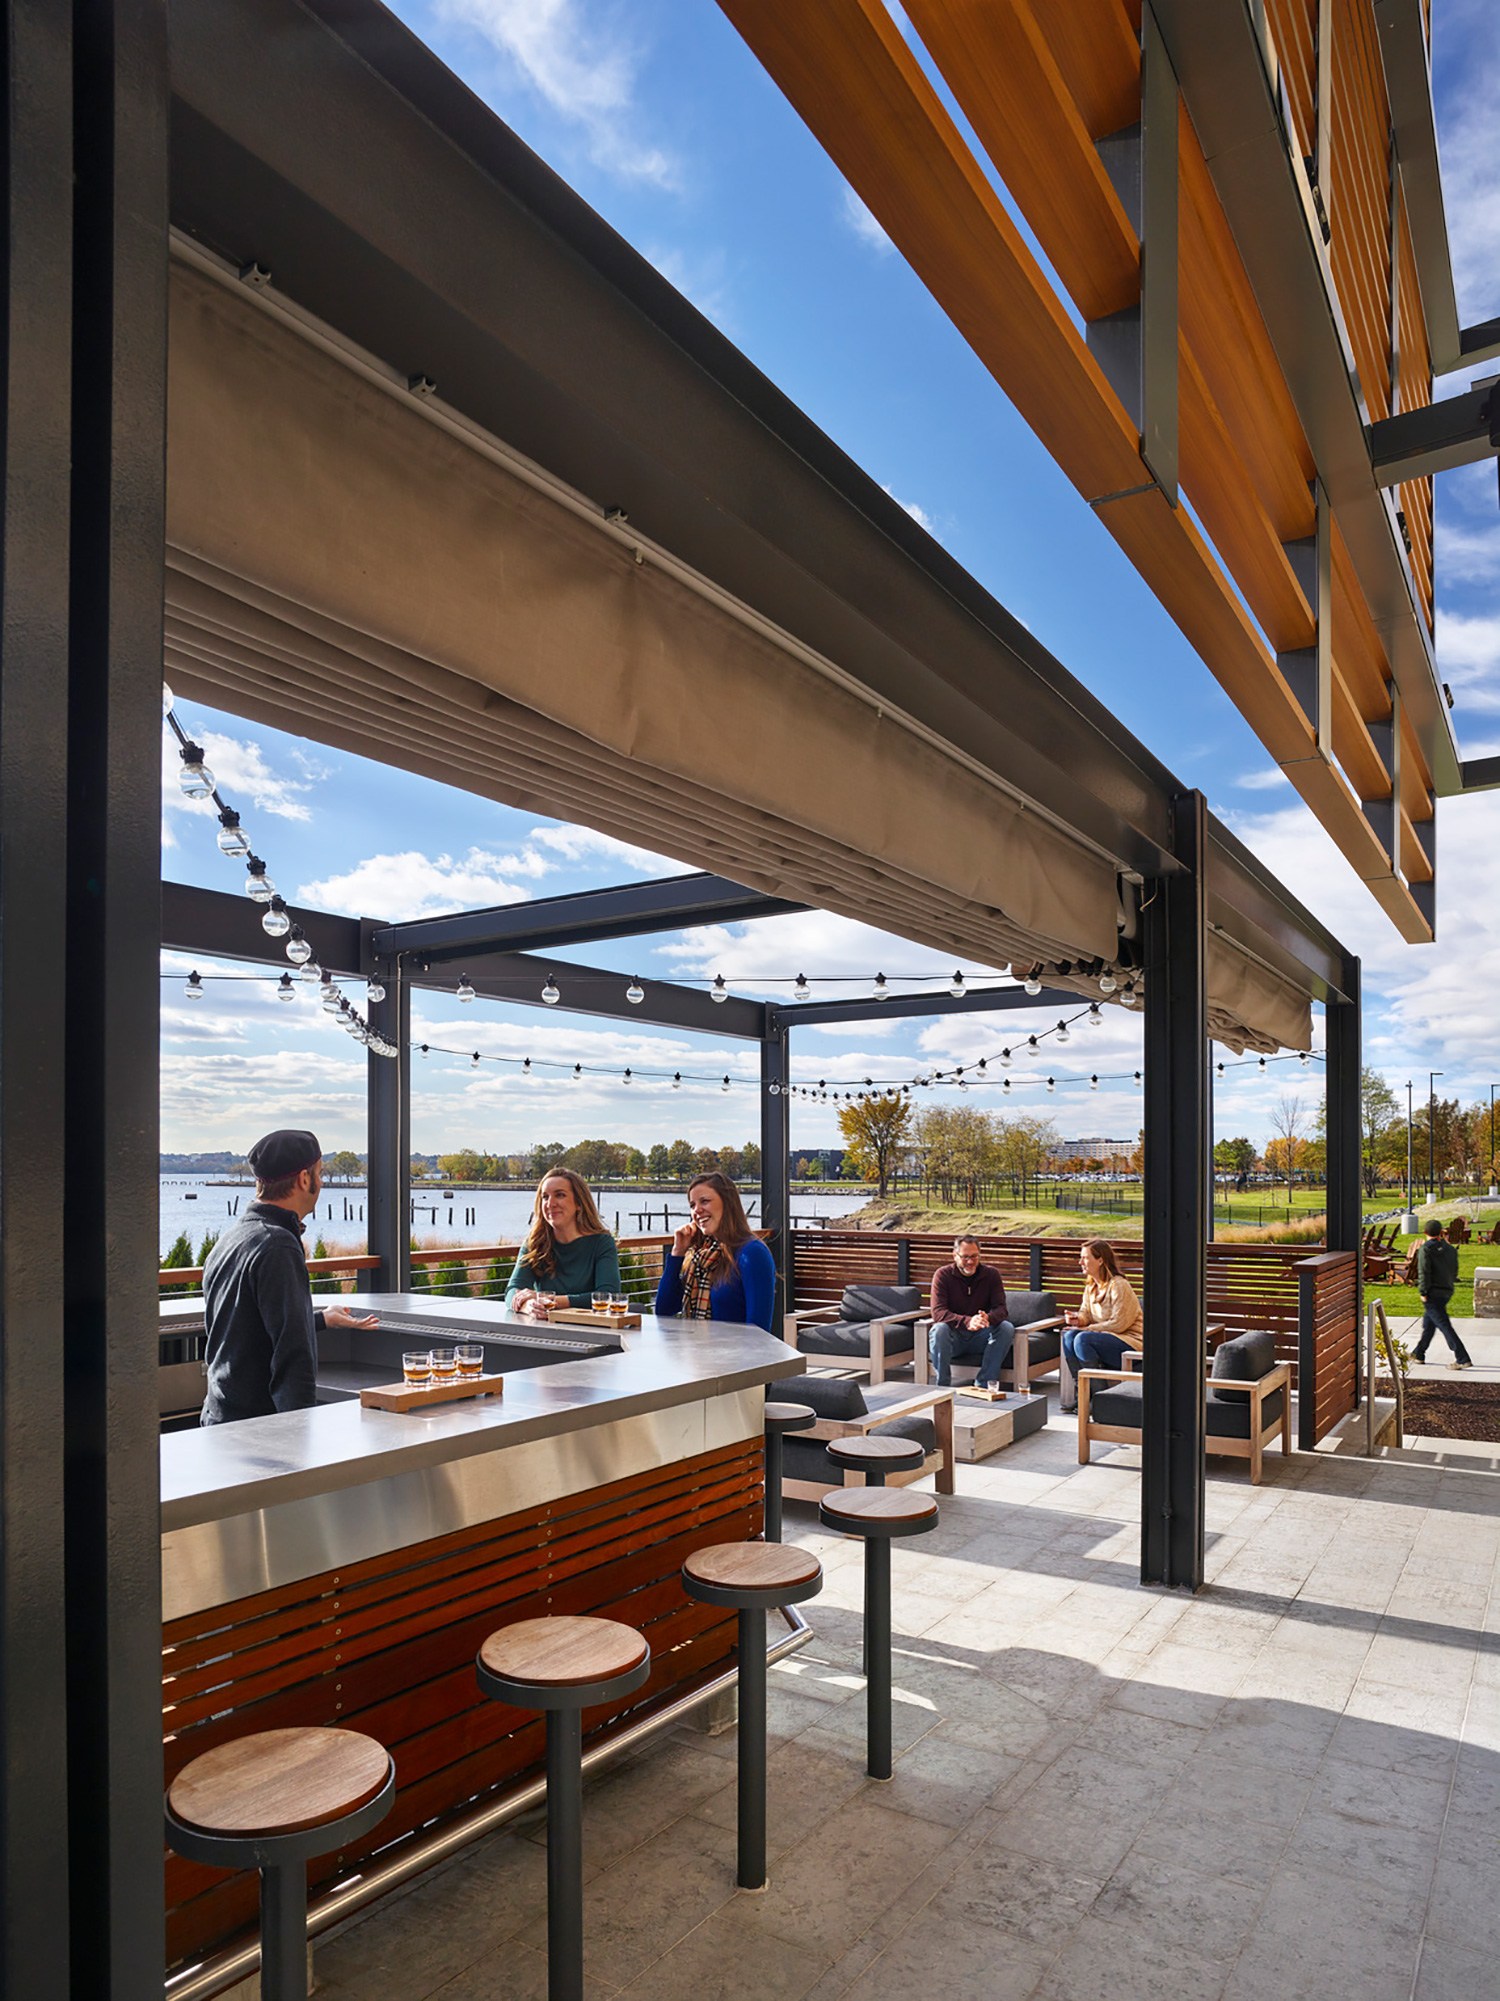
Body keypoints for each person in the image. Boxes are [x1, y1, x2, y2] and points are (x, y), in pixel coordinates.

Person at [201, 1129, 378, 1425]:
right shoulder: (278, 1246)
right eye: (320, 1174)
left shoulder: (231, 1239)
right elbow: (293, 1358)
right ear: (303, 1179)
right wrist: (297, 1441)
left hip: (219, 1417)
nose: (321, 1183)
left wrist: (321, 1319)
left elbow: (247, 1328)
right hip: (256, 1431)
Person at [655, 1172, 776, 1332]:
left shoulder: (752, 1253)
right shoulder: (699, 1256)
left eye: (704, 1201)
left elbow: (759, 1330)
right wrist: (677, 1253)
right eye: (692, 1205)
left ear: (727, 1203)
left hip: (736, 1355)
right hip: (695, 1352)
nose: (697, 1210)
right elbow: (664, 1311)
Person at [506, 1168, 622, 1316]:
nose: (550, 1203)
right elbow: (512, 1290)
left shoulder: (601, 1243)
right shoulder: (534, 1243)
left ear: (579, 1203)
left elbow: (608, 1295)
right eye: (545, 1197)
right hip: (545, 1332)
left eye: (560, 1195)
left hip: (590, 1331)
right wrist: (527, 1305)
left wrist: (550, 1301)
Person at [1060, 1238, 1143, 1409]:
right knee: (1069, 1336)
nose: (1080, 1262)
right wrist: (1077, 1319)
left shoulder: (1119, 1285)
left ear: (1100, 1260)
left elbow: (1119, 1324)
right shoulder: (1091, 1286)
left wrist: (1088, 1328)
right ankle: (1083, 1394)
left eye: (1085, 1258)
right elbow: (1086, 1313)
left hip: (1130, 1342)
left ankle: (1098, 1399)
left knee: (1083, 1339)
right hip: (1105, 1338)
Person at [928, 1235, 1015, 1388]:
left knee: (1006, 1328)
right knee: (938, 1330)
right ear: (955, 1255)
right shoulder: (942, 1275)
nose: (970, 1261)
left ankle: (984, 1384)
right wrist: (968, 1321)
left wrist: (987, 1318)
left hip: (981, 1336)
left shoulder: (991, 1275)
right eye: (965, 1257)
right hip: (954, 1338)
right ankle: (942, 1386)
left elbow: (1001, 1309)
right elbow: (938, 1312)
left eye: (974, 1256)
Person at [1411, 1218, 1471, 1367]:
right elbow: (1454, 1270)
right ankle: (1419, 1353)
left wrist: (1423, 1291)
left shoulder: (1426, 1249)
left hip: (1432, 1293)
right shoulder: (1450, 1249)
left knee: (1444, 1325)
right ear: (1441, 1232)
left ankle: (1462, 1358)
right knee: (1429, 1323)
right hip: (1447, 1291)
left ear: (1425, 1232)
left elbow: (1424, 1272)